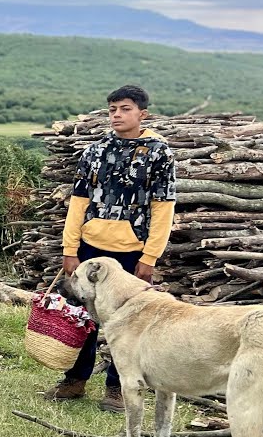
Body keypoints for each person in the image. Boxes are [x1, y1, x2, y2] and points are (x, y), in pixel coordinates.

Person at [45, 85, 176, 411]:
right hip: (91, 249)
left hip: (132, 252)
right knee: (81, 316)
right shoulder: (95, 152)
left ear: (142, 114)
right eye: (113, 109)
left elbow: (163, 208)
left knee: (128, 322)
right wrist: (69, 247)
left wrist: (150, 256)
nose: (117, 115)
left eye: (125, 109)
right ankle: (75, 380)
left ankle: (117, 388)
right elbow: (78, 203)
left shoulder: (159, 155)